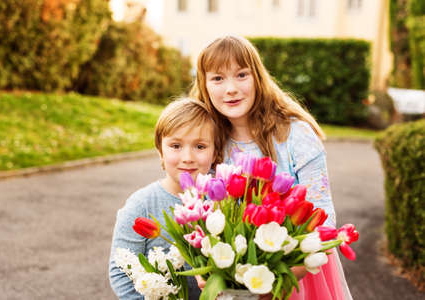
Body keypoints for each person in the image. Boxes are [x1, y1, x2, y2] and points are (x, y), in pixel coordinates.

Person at [190, 35, 353, 300]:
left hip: (296, 273)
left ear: (257, 77)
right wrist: (202, 266)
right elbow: (203, 214)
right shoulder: (207, 143)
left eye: (241, 75)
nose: (230, 88)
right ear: (204, 85)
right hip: (234, 281)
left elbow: (323, 215)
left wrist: (278, 282)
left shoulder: (295, 136)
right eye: (218, 78)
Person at [109, 97, 221, 300]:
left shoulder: (225, 202)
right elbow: (121, 272)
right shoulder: (141, 205)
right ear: (160, 151)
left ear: (215, 153)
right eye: (176, 146)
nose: (187, 157)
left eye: (200, 146)